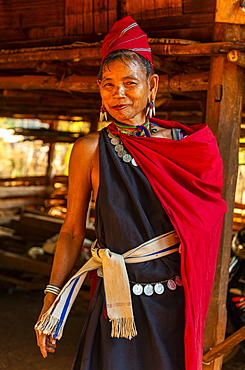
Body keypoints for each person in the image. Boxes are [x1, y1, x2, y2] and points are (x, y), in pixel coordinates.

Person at [35, 16, 227, 370]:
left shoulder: (183, 147)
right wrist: (52, 298)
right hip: (115, 302)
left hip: (172, 300)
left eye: (129, 83)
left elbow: (208, 214)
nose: (118, 93)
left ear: (152, 86)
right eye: (108, 85)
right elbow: (72, 229)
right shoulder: (89, 149)